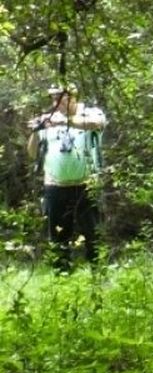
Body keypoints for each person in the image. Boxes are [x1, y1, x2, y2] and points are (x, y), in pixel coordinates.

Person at [26, 84, 107, 272]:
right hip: (55, 187)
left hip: (87, 186)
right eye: (53, 99)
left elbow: (97, 124)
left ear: (73, 97)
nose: (55, 102)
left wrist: (63, 122)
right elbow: (32, 153)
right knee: (58, 238)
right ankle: (62, 279)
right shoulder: (49, 119)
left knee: (94, 235)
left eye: (59, 97)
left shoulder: (90, 113)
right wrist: (35, 131)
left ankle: (99, 279)